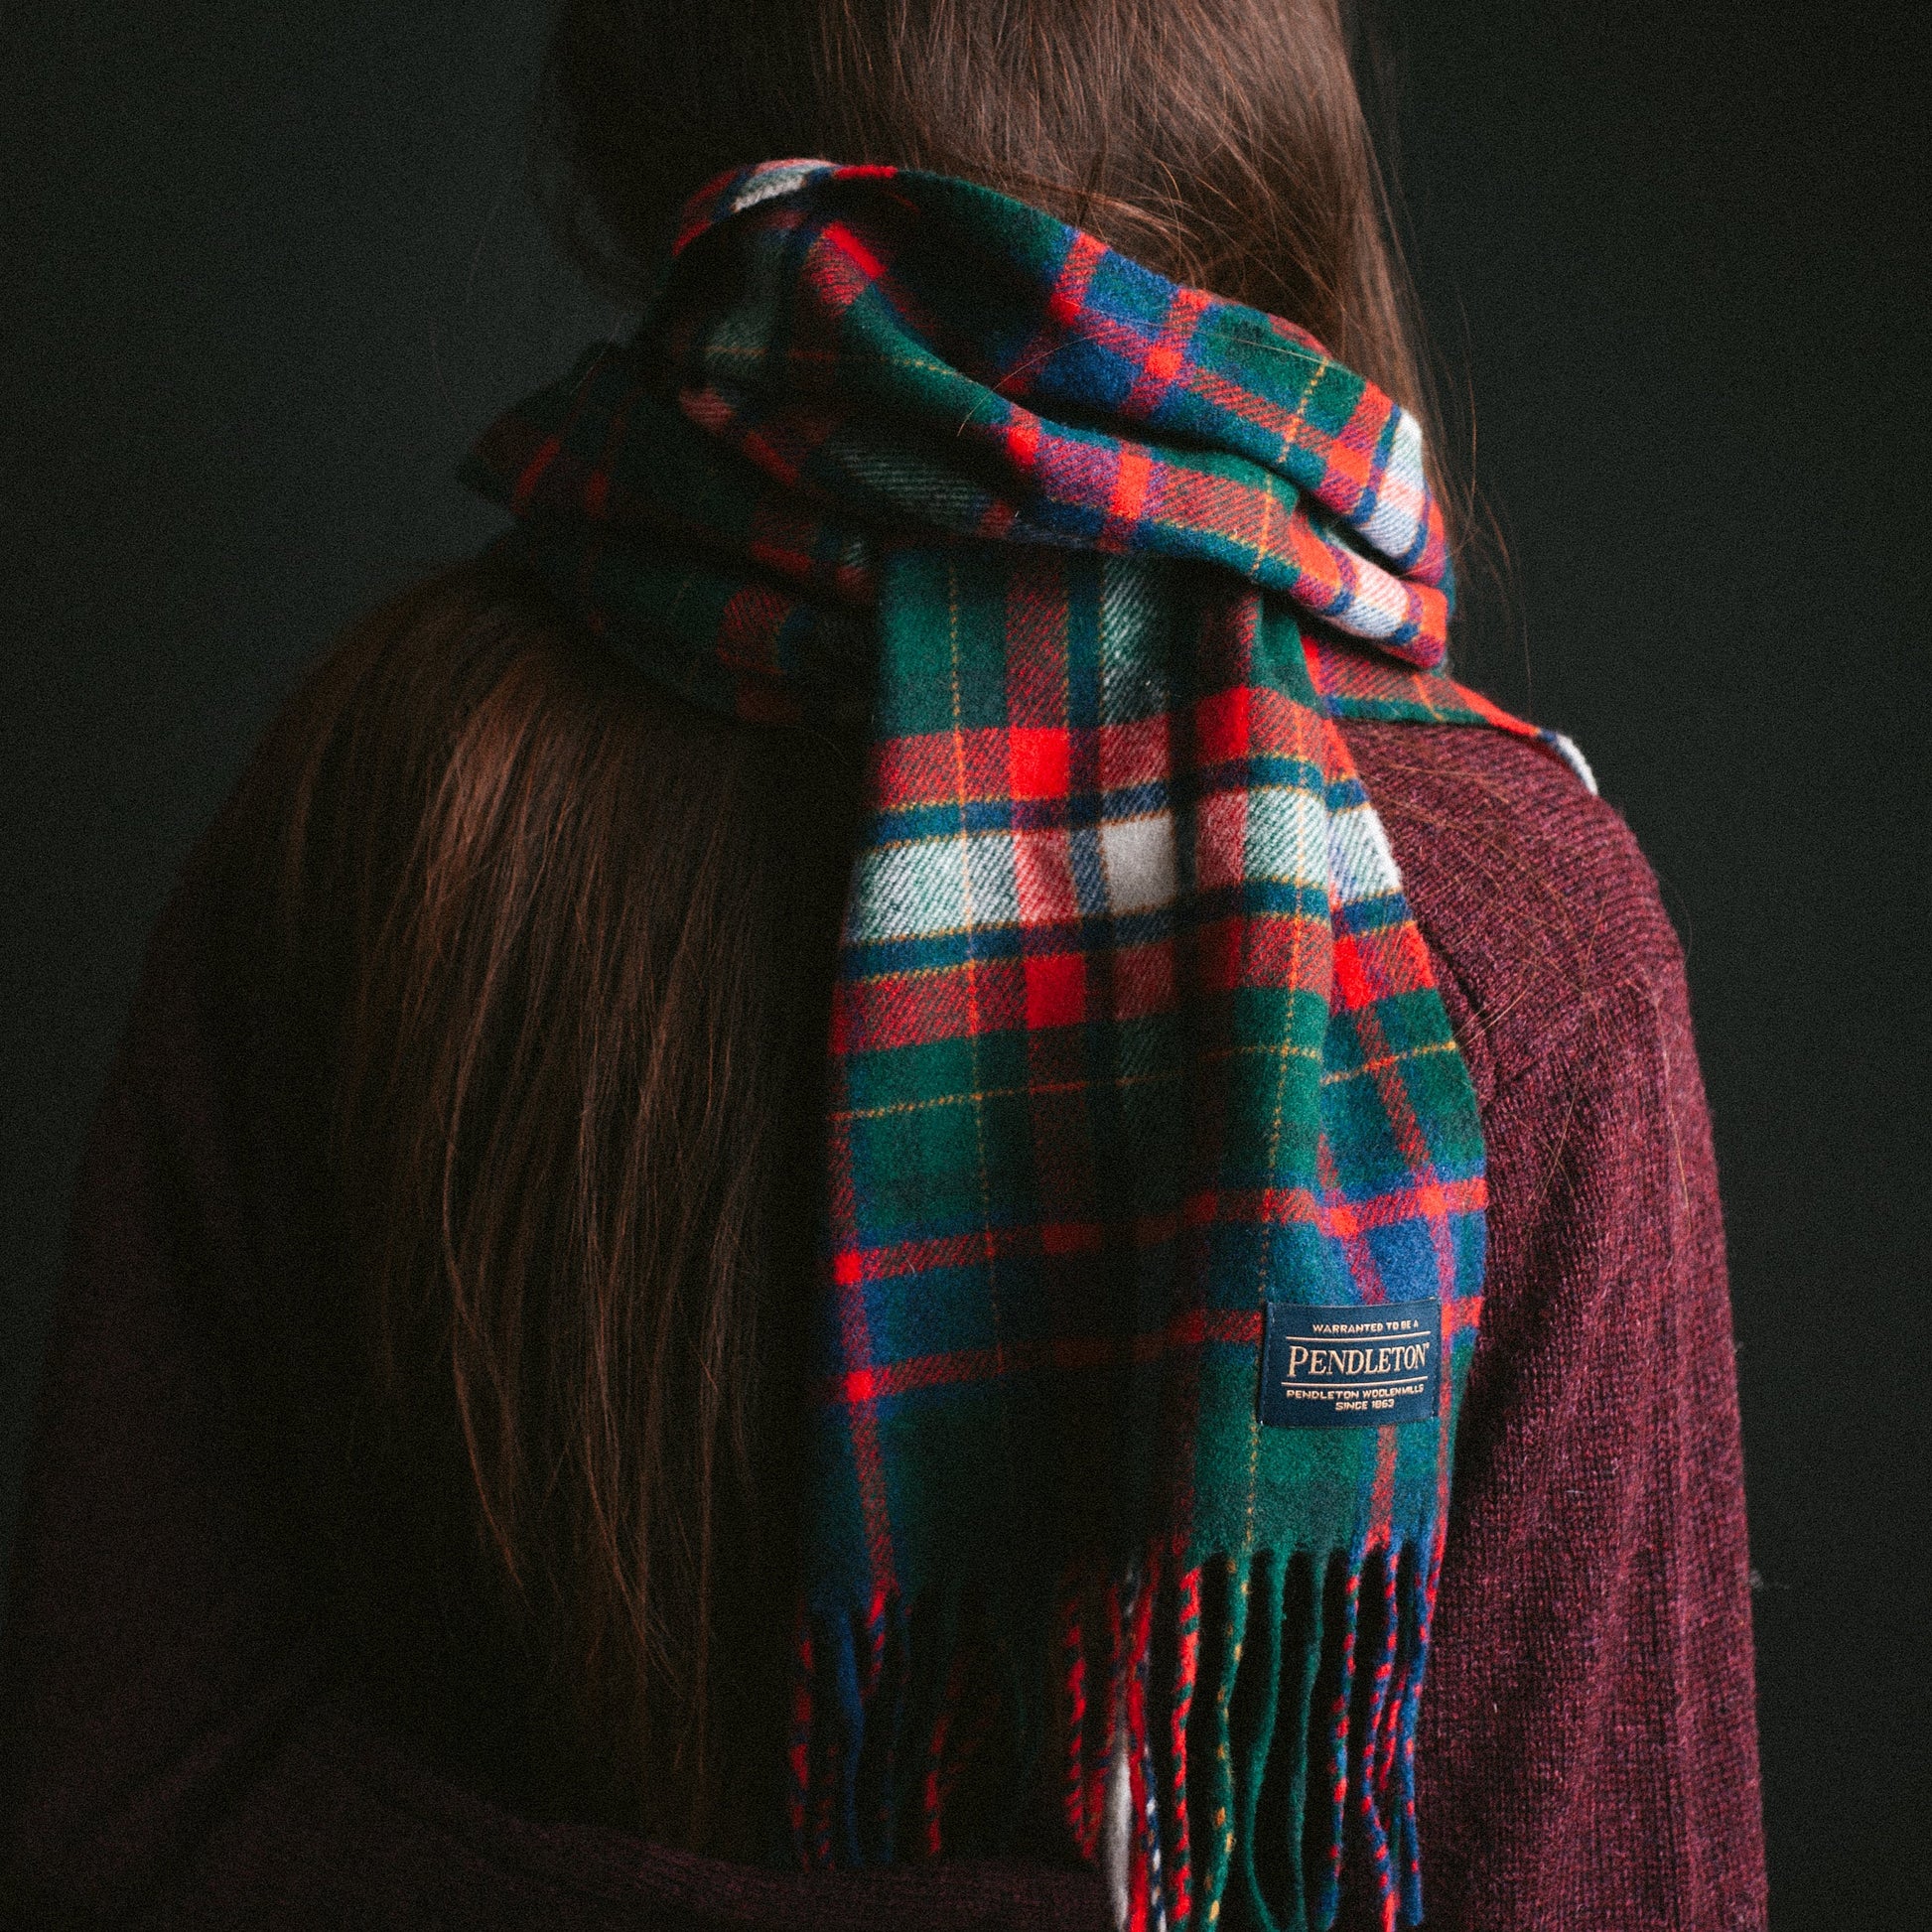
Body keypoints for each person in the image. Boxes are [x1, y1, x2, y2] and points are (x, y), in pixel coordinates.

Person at [0, 3, 1767, 1927]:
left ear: (648, 150)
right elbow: (1608, 1871)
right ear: (1286, 151)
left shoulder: (379, 776)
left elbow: (134, 1799)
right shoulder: (1502, 907)